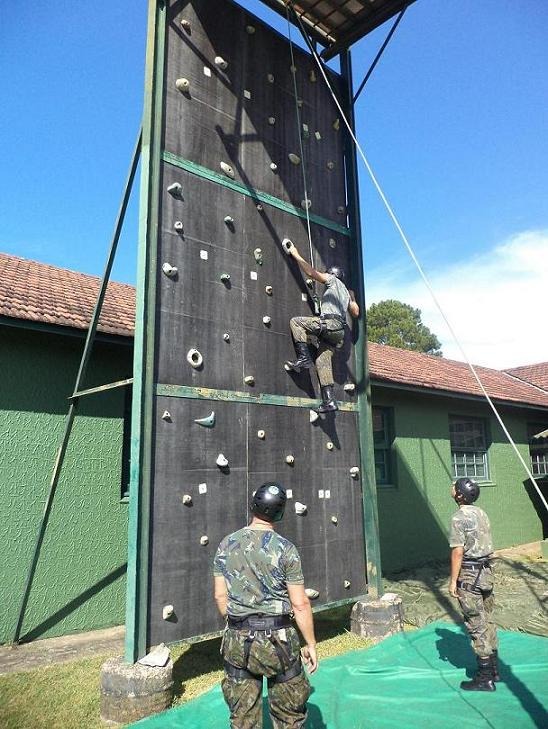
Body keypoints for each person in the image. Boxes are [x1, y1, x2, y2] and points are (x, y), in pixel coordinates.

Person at [213, 482, 318, 728]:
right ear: (280, 513)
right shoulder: (286, 549)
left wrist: (235, 623)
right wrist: (311, 643)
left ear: (253, 506)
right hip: (279, 642)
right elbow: (300, 603)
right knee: (289, 714)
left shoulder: (226, 544)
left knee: (243, 717)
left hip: (239, 640)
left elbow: (220, 597)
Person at [281, 238, 359, 413]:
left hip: (329, 323)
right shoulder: (346, 293)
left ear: (332, 274)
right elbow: (355, 313)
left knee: (297, 322)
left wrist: (294, 252)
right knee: (322, 360)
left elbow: (311, 272)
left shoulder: (332, 280)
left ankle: (303, 358)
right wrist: (352, 297)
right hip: (338, 333)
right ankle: (329, 401)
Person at [448, 477, 499, 691]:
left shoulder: (458, 518)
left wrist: (453, 581)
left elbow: (458, 551)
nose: (452, 488)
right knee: (489, 620)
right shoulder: (481, 513)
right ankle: (495, 670)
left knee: (475, 624)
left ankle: (484, 678)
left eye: (455, 487)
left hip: (470, 575)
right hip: (486, 572)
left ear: (460, 495)